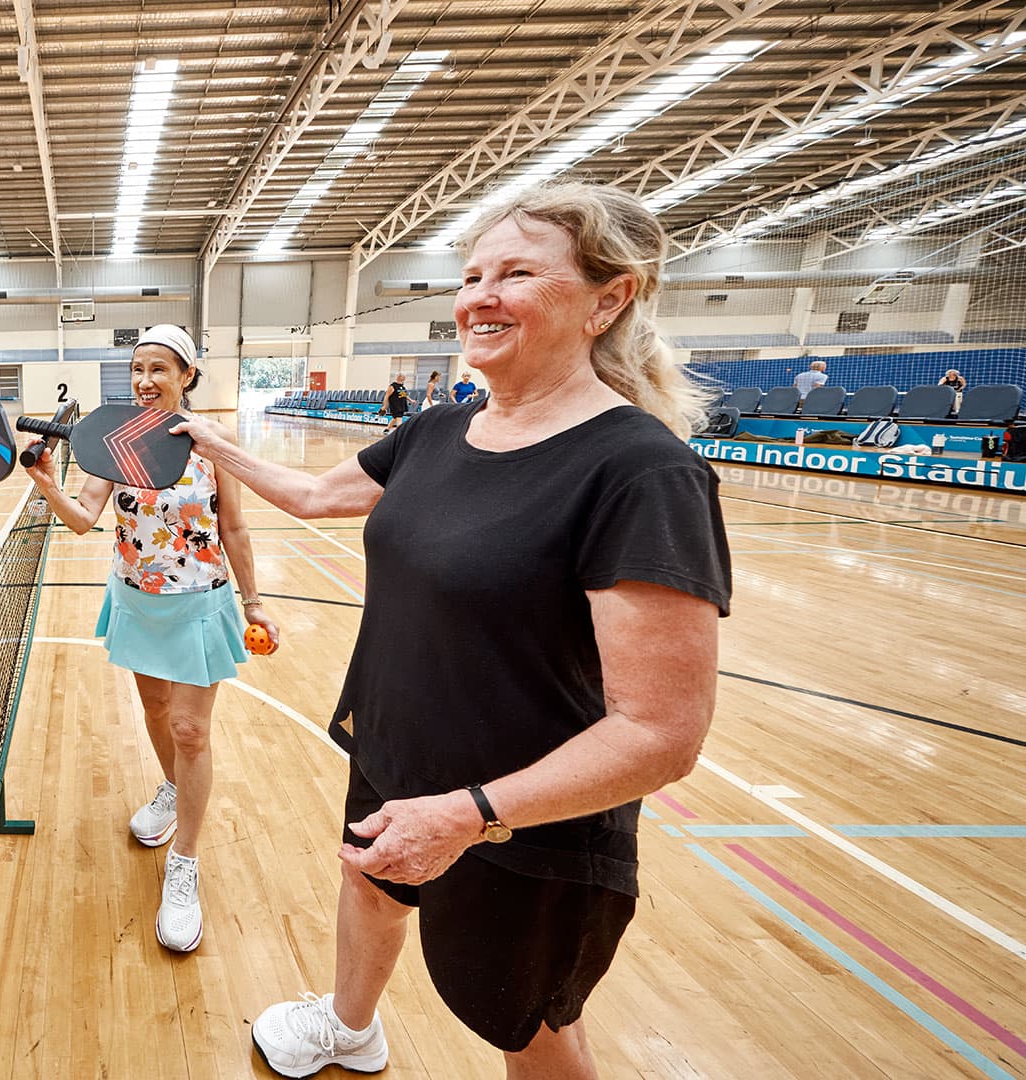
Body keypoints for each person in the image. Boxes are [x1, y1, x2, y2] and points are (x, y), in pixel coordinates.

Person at [176, 181, 730, 1079]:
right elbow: (318, 496)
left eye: (516, 274)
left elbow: (662, 734)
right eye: (472, 275)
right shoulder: (436, 430)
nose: (480, 296)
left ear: (609, 298)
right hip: (399, 752)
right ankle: (350, 1027)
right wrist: (208, 441)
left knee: (528, 1026)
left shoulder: (640, 473)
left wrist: (471, 815)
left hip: (522, 816)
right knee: (369, 880)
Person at [22, 324, 279, 953]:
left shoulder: (214, 446)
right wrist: (48, 482)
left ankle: (184, 864)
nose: (144, 381)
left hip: (200, 601)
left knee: (191, 729)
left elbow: (236, 529)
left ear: (187, 376)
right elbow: (84, 520)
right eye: (137, 370)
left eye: (159, 369)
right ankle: (170, 788)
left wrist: (256, 600)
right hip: (138, 600)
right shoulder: (116, 444)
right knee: (157, 711)